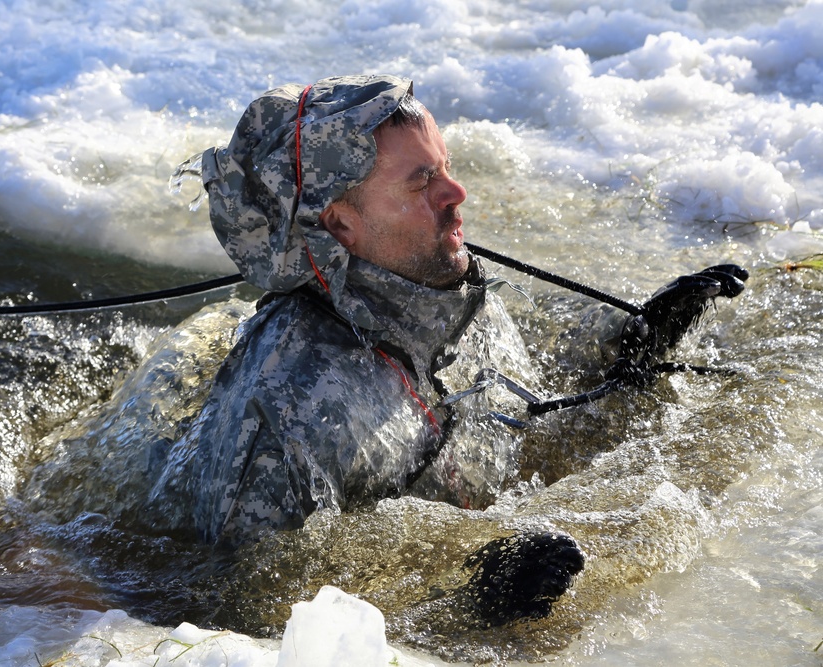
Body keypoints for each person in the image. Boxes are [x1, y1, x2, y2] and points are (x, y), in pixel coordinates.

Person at [148, 74, 744, 624]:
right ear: (340, 224)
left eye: (446, 168)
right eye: (420, 182)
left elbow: (531, 396)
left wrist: (629, 348)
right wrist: (464, 611)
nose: (456, 192)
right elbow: (246, 617)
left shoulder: (448, 288)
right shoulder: (286, 413)